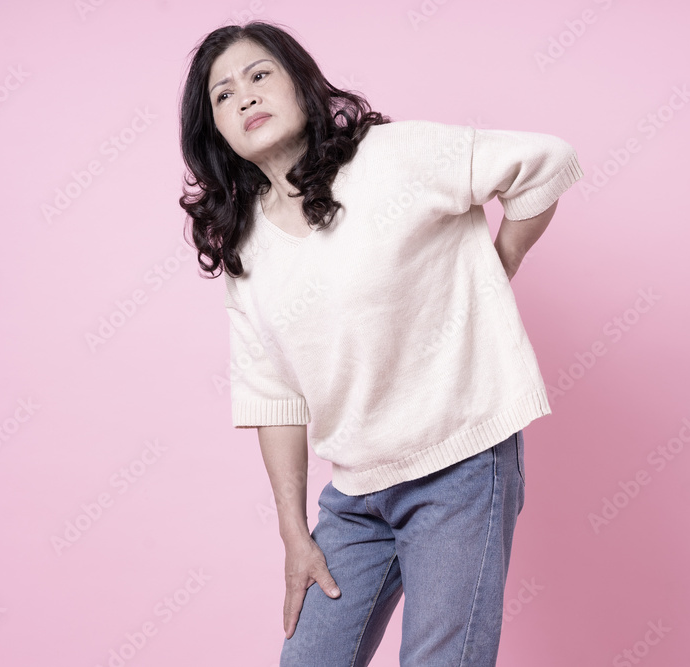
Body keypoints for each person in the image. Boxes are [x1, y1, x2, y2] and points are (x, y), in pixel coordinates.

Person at [178, 19, 583, 667]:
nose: (245, 96)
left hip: (458, 459)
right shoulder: (246, 244)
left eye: (259, 75)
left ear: (300, 82)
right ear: (216, 130)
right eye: (223, 95)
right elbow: (273, 394)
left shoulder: (391, 157)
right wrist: (294, 532)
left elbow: (547, 163)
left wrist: (497, 268)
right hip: (358, 493)